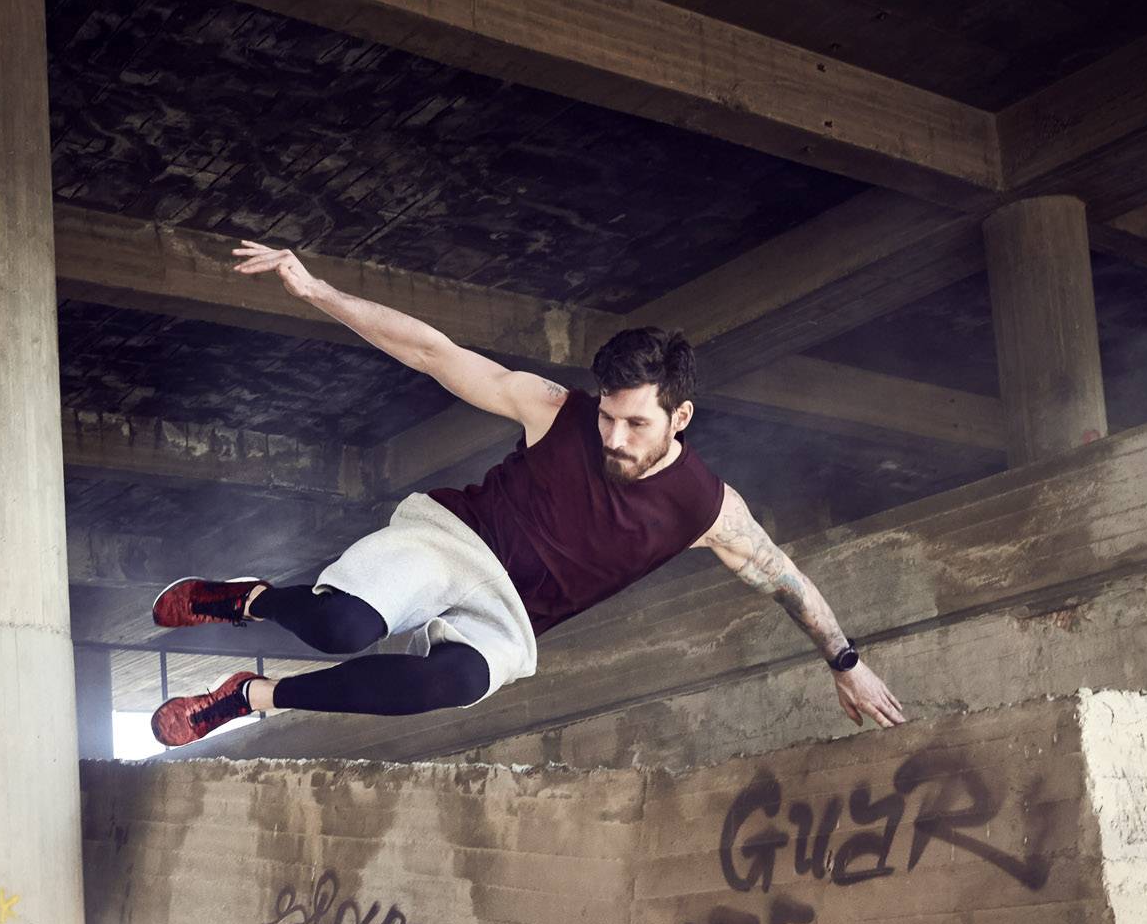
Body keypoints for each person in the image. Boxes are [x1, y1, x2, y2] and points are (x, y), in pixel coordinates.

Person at [148, 240, 905, 746]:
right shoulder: (555, 411)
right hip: (456, 542)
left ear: (680, 417)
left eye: (635, 424)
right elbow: (431, 352)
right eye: (608, 415)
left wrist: (847, 663)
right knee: (341, 626)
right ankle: (246, 599)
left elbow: (786, 580)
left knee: (451, 683)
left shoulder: (707, 508)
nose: (613, 436)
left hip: (509, 617)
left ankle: (248, 698)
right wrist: (314, 289)